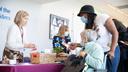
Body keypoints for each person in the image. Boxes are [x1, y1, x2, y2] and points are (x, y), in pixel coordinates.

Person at [69, 5, 120, 72]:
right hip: (100, 52)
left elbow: (115, 33)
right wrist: (77, 45)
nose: (82, 18)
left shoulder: (102, 17)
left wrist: (112, 51)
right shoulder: (88, 25)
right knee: (99, 70)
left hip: (110, 50)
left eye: (83, 15)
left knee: (110, 70)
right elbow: (89, 43)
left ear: (89, 14)